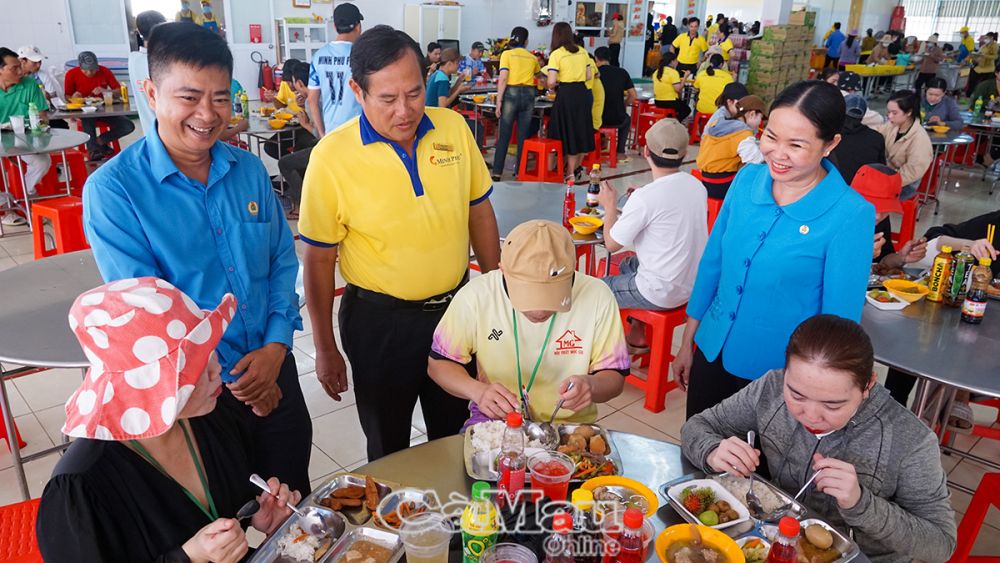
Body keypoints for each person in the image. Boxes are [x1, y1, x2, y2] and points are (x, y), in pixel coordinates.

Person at [82, 22, 311, 494]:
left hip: (274, 366)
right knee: (227, 527)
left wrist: (274, 350)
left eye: (221, 97)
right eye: (188, 97)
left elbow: (281, 263)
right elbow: (150, 313)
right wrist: (243, 380)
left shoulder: (247, 170)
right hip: (196, 395)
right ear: (150, 92)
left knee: (293, 509)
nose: (207, 114)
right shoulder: (114, 192)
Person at [299, 25, 501, 462]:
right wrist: (325, 346)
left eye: (414, 93)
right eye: (387, 99)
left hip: (456, 314)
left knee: (458, 438)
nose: (405, 111)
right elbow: (318, 260)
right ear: (357, 90)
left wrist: (496, 291)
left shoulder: (453, 129)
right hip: (379, 324)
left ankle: (454, 527)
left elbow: (479, 212)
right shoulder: (332, 157)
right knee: (389, 447)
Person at [36, 278, 302, 562]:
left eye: (210, 351)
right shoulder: (81, 486)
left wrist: (259, 516)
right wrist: (188, 557)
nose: (216, 371)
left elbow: (227, 509)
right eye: (193, 366)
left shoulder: (212, 415)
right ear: (149, 386)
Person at [681, 314, 957, 561]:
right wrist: (712, 450)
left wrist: (861, 503)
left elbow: (941, 544)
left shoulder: (910, 440)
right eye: (797, 395)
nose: (810, 415)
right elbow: (698, 426)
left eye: (832, 405)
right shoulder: (771, 388)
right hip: (773, 542)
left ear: (868, 385)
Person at [675, 80, 875, 419]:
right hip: (712, 351)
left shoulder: (850, 213)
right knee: (700, 451)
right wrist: (687, 342)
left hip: (781, 378)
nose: (777, 154)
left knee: (756, 469)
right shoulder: (747, 180)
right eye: (770, 136)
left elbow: (838, 322)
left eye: (796, 145)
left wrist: (815, 398)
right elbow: (714, 264)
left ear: (830, 144)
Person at [428, 220, 629, 426]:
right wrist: (478, 391)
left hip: (570, 426)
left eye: (552, 297)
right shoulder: (476, 296)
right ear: (502, 270)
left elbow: (615, 376)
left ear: (572, 273)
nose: (539, 311)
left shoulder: (597, 295)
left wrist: (592, 386)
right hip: (496, 419)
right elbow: (438, 364)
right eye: (528, 296)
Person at [597, 119, 708, 349]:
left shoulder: (647, 197)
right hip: (690, 285)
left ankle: (598, 352)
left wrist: (609, 206)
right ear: (685, 153)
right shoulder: (697, 186)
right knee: (629, 264)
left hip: (661, 291)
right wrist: (641, 197)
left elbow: (611, 244)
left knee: (594, 290)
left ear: (646, 151)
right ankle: (637, 333)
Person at [885, 209, 1000, 408]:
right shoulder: (995, 224)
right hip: (973, 315)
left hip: (988, 347)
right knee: (921, 335)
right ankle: (895, 409)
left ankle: (954, 401)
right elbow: (935, 237)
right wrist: (970, 245)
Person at [0, 46, 50, 226]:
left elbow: (43, 116)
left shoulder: (29, 84)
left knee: (42, 162)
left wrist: (40, 125)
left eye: (20, 66)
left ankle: (21, 198)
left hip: (23, 138)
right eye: (14, 68)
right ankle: (4, 206)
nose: (20, 71)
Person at [851, 164, 927, 269]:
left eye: (884, 208)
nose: (878, 216)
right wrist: (857, 254)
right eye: (872, 206)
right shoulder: (830, 219)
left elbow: (882, 262)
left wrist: (901, 257)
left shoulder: (881, 220)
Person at [545, 22, 595, 182]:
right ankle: (571, 173)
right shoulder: (582, 52)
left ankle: (551, 169)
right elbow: (588, 75)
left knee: (559, 132)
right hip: (582, 94)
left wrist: (554, 84)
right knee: (577, 132)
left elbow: (551, 81)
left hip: (566, 95)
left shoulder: (556, 54)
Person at [65, 51, 137, 161]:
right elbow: (67, 96)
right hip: (84, 110)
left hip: (104, 109)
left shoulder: (105, 71)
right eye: (86, 70)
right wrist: (74, 97)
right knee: (88, 120)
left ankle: (99, 141)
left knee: (128, 126)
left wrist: (106, 91)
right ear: (80, 67)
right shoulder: (71, 74)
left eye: (93, 69)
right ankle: (93, 151)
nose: (90, 73)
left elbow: (118, 91)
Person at [307, 3, 363, 138]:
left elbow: (312, 100)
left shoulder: (318, 56)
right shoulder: (362, 56)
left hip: (331, 132)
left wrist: (321, 133)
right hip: (358, 131)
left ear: (335, 26)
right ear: (358, 26)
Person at [493, 27, 541, 180]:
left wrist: (499, 101)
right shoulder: (532, 58)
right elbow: (539, 76)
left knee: (505, 135)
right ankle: (520, 172)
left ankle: (497, 172)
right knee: (523, 136)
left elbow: (504, 78)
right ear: (526, 41)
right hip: (528, 94)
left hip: (511, 94)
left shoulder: (507, 54)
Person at [695, 94, 767, 194]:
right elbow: (755, 159)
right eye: (761, 118)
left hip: (705, 178)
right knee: (757, 178)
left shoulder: (719, 124)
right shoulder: (742, 133)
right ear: (752, 114)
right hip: (721, 184)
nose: (760, 123)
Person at [277, 60, 319, 219]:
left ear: (300, 82)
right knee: (299, 145)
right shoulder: (315, 97)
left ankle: (304, 207)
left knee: (285, 163)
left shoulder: (313, 100)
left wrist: (306, 125)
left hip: (326, 147)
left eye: (294, 83)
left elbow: (323, 134)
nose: (293, 87)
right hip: (330, 144)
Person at [876, 89, 932, 200]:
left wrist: (888, 182)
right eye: (888, 112)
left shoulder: (920, 139)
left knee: (867, 194)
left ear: (909, 112)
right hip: (889, 174)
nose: (890, 116)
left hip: (906, 184)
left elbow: (912, 172)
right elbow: (874, 135)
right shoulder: (892, 125)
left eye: (894, 113)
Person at [829, 95, 886, 184]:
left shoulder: (829, 134)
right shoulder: (876, 138)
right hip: (863, 190)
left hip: (832, 186)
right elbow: (881, 168)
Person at [128, 11, 167, 136]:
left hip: (148, 134)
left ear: (139, 32)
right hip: (170, 136)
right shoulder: (164, 61)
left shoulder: (133, 59)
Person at [595, 46, 636, 161]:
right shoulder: (622, 72)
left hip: (598, 118)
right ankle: (620, 152)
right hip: (617, 118)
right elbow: (633, 95)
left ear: (596, 59)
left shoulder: (594, 74)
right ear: (610, 58)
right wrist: (624, 104)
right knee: (626, 119)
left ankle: (597, 147)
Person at [651, 52, 690, 121]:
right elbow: (678, 89)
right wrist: (685, 77)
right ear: (672, 61)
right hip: (670, 101)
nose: (677, 62)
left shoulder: (656, 72)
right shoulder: (673, 72)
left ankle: (669, 119)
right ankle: (674, 122)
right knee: (686, 110)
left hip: (657, 101)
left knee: (679, 106)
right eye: (676, 60)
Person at [969, 32, 999, 97]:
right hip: (980, 67)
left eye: (987, 38)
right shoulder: (984, 46)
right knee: (972, 81)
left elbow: (995, 57)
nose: (985, 39)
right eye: (985, 38)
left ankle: (981, 96)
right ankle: (969, 95)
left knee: (984, 84)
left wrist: (984, 55)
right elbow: (979, 53)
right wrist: (974, 56)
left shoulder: (995, 45)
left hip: (989, 69)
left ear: (991, 38)